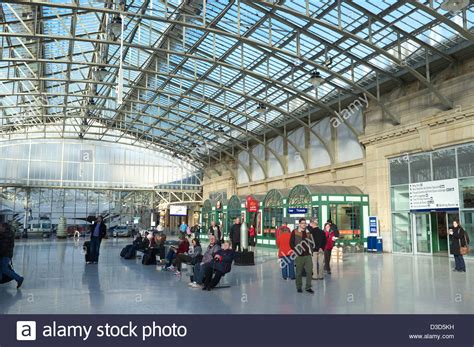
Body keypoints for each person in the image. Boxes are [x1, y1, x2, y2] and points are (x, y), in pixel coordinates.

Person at [290, 218, 314, 294]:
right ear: (299, 224)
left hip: (308, 255)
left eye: (305, 223)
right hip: (299, 255)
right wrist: (296, 250)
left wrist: (311, 250)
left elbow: (311, 242)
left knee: (309, 271)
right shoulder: (295, 232)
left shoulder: (308, 232)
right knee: (299, 272)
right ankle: (299, 287)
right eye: (302, 223)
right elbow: (291, 243)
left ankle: (308, 287)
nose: (304, 224)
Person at [0, 223, 24, 289]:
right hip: (4, 254)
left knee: (4, 269)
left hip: (5, 255)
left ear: (3, 227)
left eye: (0, 227)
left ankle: (19, 278)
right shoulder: (3, 234)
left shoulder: (7, 235)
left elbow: (3, 247)